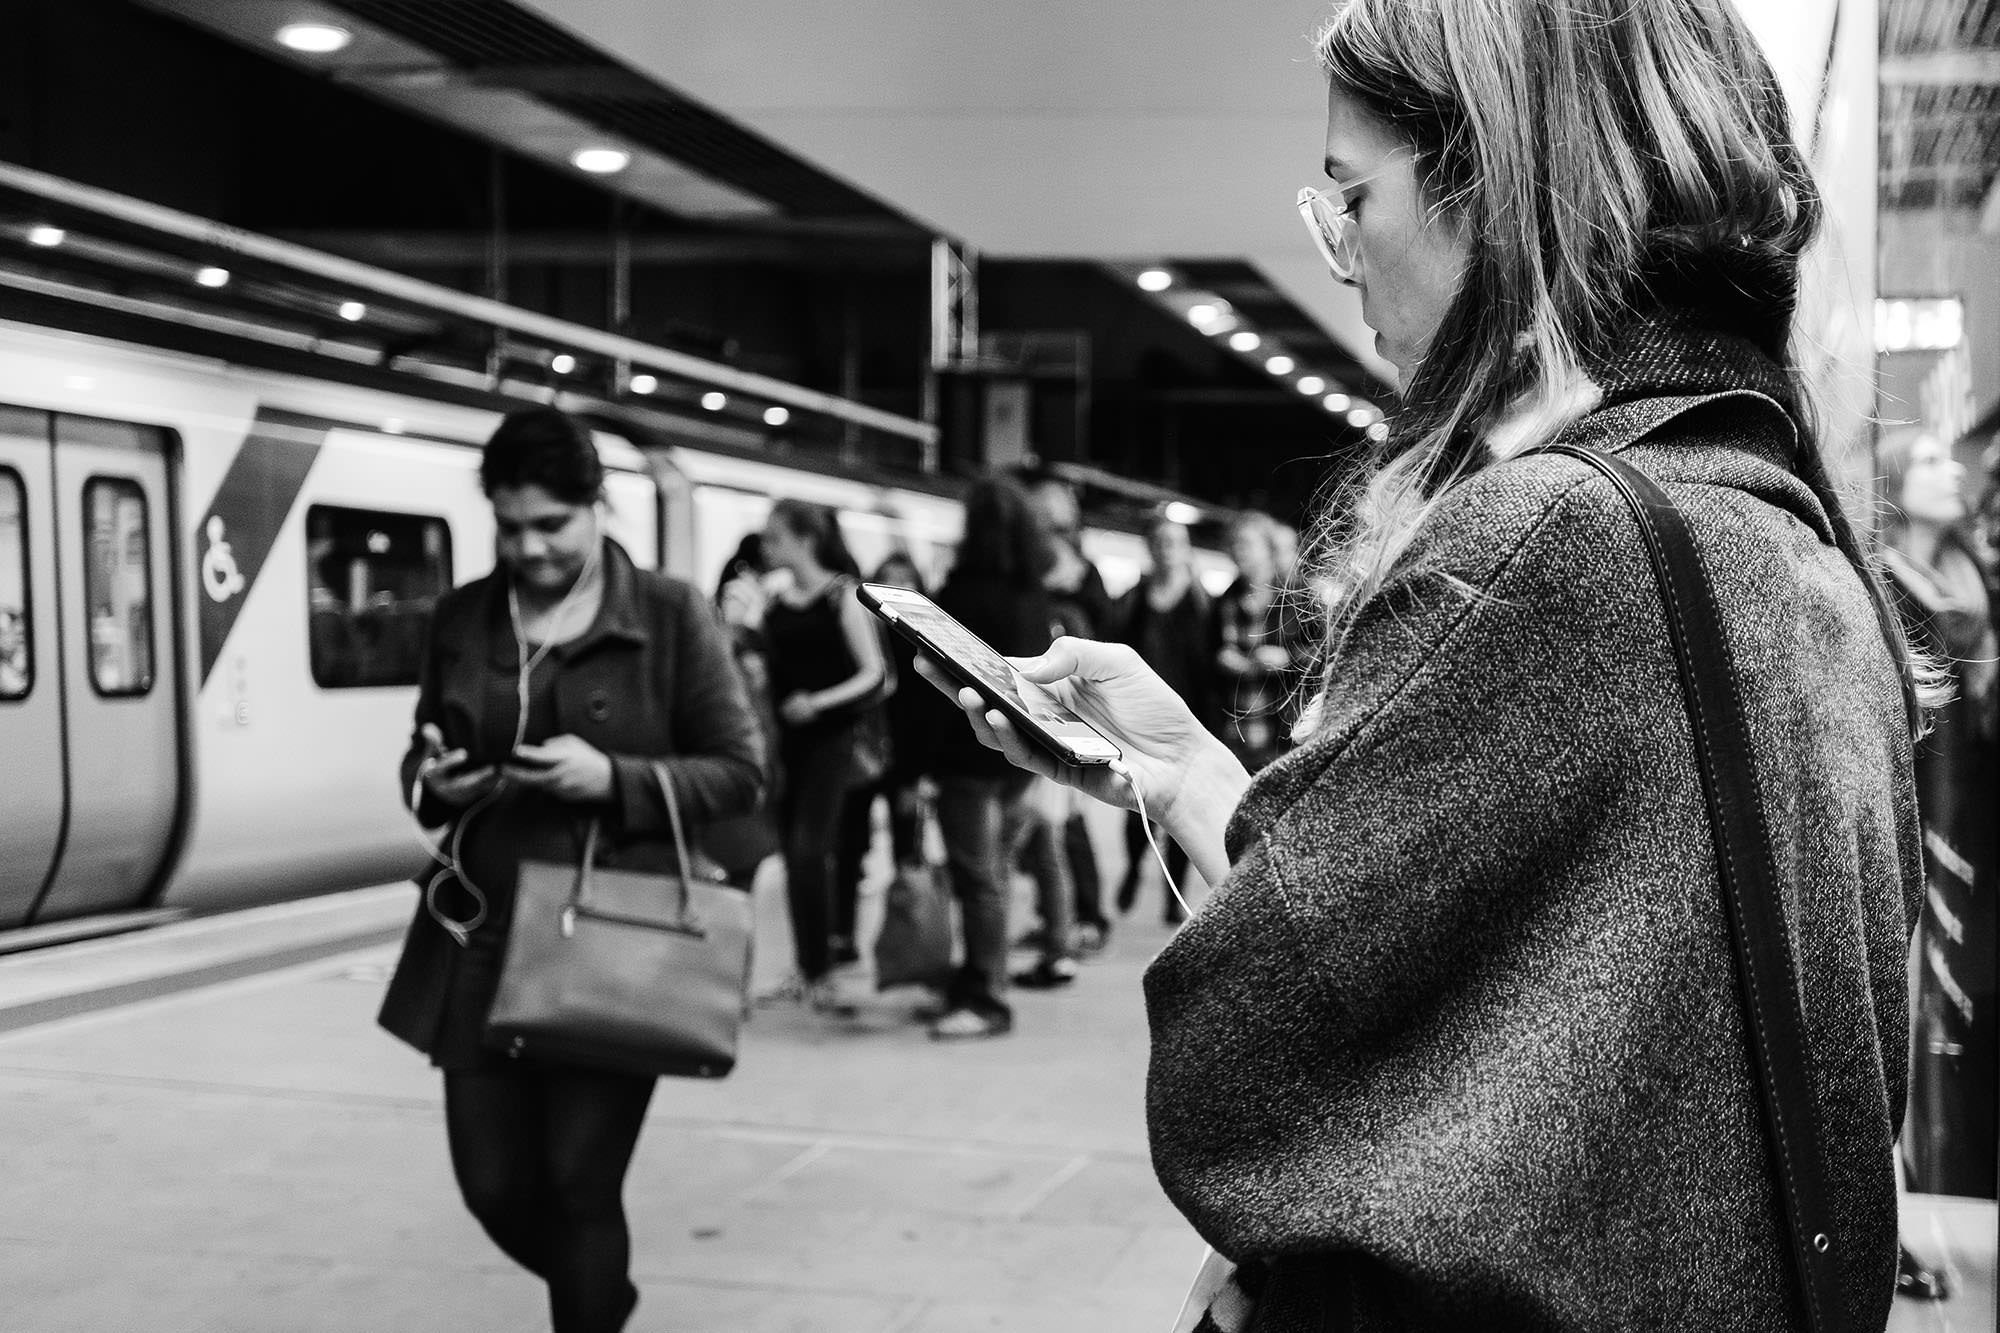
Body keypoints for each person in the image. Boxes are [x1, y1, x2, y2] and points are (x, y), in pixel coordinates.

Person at [920, 1, 1927, 1326]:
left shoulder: (1549, 535)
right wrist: (1185, 773)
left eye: (1352, 196)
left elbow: (1246, 1049)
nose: (1340, 257)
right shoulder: (1777, 531)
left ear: (1502, 183)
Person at [377, 406, 763, 1333]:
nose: (529, 547)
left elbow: (742, 769)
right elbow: (420, 754)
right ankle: (599, 1290)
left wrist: (613, 777)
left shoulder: (670, 615)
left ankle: (590, 1303)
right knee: (495, 1187)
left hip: (610, 934)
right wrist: (435, 776)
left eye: (551, 524)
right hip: (479, 931)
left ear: (597, 507)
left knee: (580, 1183)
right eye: (510, 526)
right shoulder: (463, 615)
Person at [1877, 429, 1997, 1217]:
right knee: (1917, 1003)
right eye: (1926, 461)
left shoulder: (1975, 576)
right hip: (1924, 815)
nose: (1947, 469)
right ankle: (1911, 1205)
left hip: (1983, 811)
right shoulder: (1886, 583)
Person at [920, 474, 1075, 1035]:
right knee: (995, 875)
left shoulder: (960, 595)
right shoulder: (1031, 593)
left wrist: (921, 768)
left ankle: (986, 996)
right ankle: (978, 977)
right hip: (1014, 759)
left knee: (978, 879)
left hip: (966, 760)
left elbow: (936, 690)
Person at [758, 499, 888, 1013]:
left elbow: (873, 672)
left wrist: (818, 702)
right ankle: (809, 966)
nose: (766, 546)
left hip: (833, 740)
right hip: (786, 742)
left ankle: (822, 971)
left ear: (804, 539)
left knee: (812, 850)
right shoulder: (774, 600)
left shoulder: (842, 595)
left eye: (774, 537)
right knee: (795, 855)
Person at [1022, 471, 1114, 953]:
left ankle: (1088, 915)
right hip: (1042, 700)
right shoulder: (1037, 565)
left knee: (1067, 819)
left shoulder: (1083, 574)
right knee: (1050, 823)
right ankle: (1057, 914)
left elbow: (1100, 635)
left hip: (1073, 704)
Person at [1111, 515, 1213, 924]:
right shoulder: (1136, 598)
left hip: (1189, 715)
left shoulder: (1203, 601)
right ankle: (1135, 866)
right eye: (1160, 541)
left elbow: (1211, 664)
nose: (1167, 549)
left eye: (1175, 541)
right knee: (1136, 803)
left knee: (1180, 805)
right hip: (1140, 716)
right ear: (1150, 548)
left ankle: (1174, 896)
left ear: (1186, 549)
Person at [1213, 512, 1294, 771]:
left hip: (1281, 734)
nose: (1238, 551)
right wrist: (1222, 660)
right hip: (1234, 733)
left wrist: (1288, 659)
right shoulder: (1226, 600)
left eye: (1246, 543)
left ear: (1268, 548)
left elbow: (1323, 653)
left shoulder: (1294, 598)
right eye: (1234, 544)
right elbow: (1210, 657)